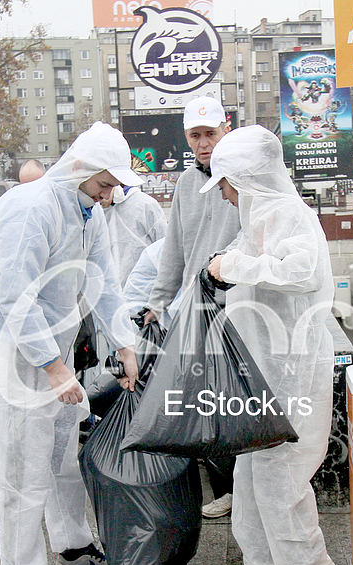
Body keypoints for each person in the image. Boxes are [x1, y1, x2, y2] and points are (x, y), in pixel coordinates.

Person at [0, 121, 139, 565]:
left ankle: (72, 549)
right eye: (105, 184)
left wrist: (125, 342)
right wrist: (52, 368)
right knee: (23, 474)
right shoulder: (30, 210)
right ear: (80, 170)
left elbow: (106, 281)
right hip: (17, 362)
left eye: (113, 187)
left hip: (57, 357)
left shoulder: (86, 211)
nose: (110, 196)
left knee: (64, 456)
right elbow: (13, 297)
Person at [204, 125, 336, 565]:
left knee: (282, 475)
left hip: (292, 371)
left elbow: (301, 272)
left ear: (246, 178)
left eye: (225, 180)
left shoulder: (291, 217)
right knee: (251, 470)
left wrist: (234, 266)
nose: (222, 190)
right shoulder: (256, 216)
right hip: (258, 371)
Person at [143, 96, 241, 520]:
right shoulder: (185, 184)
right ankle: (226, 486)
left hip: (234, 306)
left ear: (227, 128)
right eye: (195, 136)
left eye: (211, 134)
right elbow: (174, 251)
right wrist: (156, 303)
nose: (204, 144)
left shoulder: (244, 175)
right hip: (192, 309)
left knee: (235, 401)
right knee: (204, 402)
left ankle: (242, 487)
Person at [101, 185, 166, 285]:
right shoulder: (96, 210)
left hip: (145, 286)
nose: (98, 196)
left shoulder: (144, 204)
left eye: (101, 185)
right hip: (113, 288)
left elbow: (165, 246)